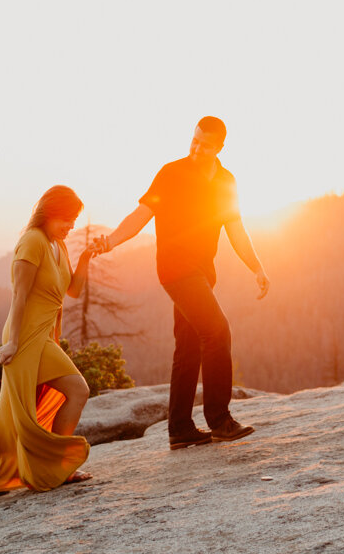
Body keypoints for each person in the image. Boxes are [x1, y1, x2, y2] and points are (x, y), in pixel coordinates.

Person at [98, 116, 270, 450]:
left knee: (189, 345)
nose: (196, 147)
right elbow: (141, 215)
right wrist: (111, 241)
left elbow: (236, 230)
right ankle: (220, 421)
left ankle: (179, 428)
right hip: (176, 270)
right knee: (217, 331)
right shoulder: (171, 173)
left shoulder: (225, 180)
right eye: (194, 139)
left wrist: (257, 267)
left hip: (204, 273)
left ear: (219, 147)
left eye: (204, 144)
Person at [0, 185, 99, 499]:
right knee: (75, 390)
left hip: (43, 336)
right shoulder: (32, 241)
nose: (72, 226)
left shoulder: (57, 245)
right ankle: (56, 466)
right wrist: (12, 343)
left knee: (13, 413)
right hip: (25, 337)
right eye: (68, 219)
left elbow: (73, 291)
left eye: (75, 220)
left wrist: (87, 257)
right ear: (50, 213)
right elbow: (19, 295)